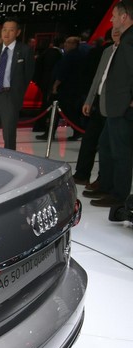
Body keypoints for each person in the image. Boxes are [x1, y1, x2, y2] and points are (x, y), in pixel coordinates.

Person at [91, 0, 133, 209]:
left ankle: (118, 195)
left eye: (114, 15)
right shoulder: (126, 39)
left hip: (122, 107)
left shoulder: (130, 41)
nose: (111, 19)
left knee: (120, 152)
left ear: (124, 17)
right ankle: (107, 186)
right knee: (107, 146)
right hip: (116, 106)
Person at [0, 18, 35, 150]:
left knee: (9, 134)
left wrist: (17, 93)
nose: (6, 33)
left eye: (11, 30)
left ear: (17, 32)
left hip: (10, 96)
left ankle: (9, 159)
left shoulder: (25, 50)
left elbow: (28, 74)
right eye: (4, 30)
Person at [79, 29, 119, 191]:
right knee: (89, 139)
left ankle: (104, 180)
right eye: (114, 31)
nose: (116, 33)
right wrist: (89, 100)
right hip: (99, 102)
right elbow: (98, 78)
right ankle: (82, 174)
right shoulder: (107, 51)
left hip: (115, 105)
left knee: (107, 145)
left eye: (119, 31)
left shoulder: (125, 52)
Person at [46, 36, 86, 140]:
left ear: (74, 44)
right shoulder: (79, 55)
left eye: (68, 43)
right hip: (73, 88)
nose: (65, 44)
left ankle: (51, 133)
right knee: (69, 111)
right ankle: (76, 131)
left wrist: (55, 85)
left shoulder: (69, 56)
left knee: (65, 111)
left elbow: (63, 72)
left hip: (66, 89)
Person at [32, 37, 64, 132]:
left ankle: (40, 125)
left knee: (45, 104)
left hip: (43, 82)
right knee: (47, 104)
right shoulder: (57, 54)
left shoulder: (46, 52)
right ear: (61, 44)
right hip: (50, 83)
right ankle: (41, 125)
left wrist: (38, 79)